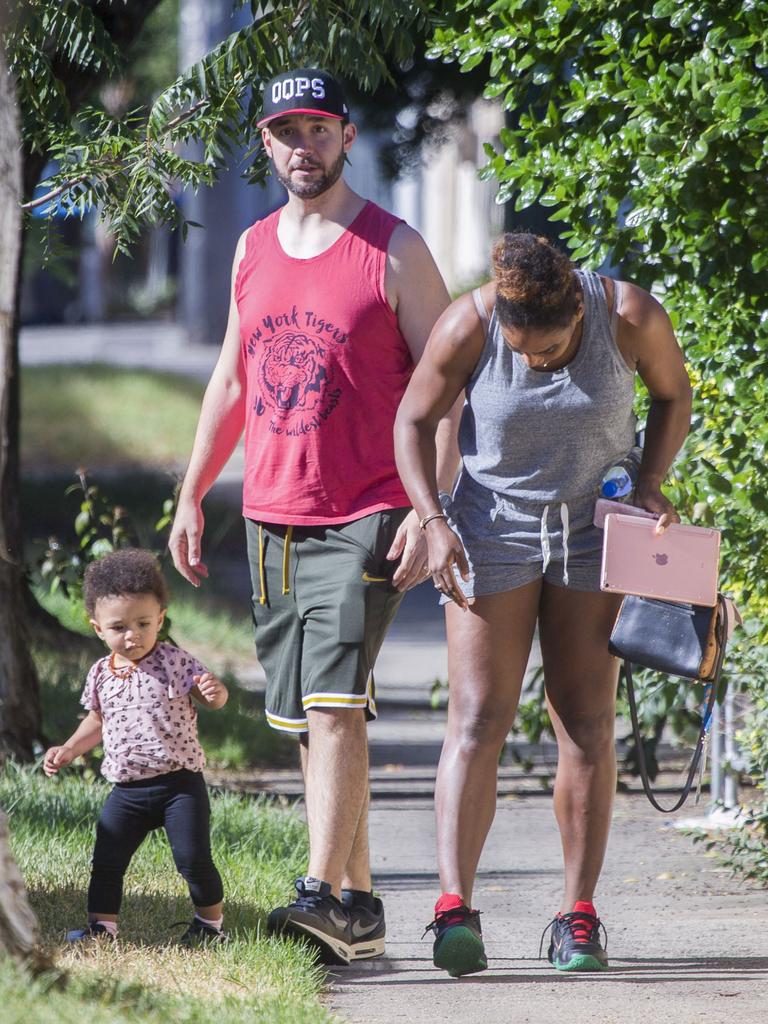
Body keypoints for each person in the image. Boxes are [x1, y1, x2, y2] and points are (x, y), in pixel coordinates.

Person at [168, 67, 453, 966]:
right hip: (270, 513)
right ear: (266, 143)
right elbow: (231, 379)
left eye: (319, 130)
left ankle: (320, 892)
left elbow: (449, 393)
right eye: (287, 132)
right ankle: (361, 909)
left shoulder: (394, 248)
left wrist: (430, 508)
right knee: (306, 720)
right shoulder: (252, 248)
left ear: (345, 137)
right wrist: (189, 492)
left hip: (365, 506)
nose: (304, 147)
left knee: (334, 708)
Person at [394, 232, 692, 976]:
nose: (536, 360)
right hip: (490, 532)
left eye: (552, 348)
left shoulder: (628, 316)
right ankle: (454, 911)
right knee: (478, 718)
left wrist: (652, 480)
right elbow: (413, 420)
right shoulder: (472, 322)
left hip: (597, 534)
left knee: (587, 721)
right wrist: (433, 520)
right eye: (522, 352)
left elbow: (672, 392)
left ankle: (578, 918)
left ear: (576, 314)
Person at [43, 548, 229, 946]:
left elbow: (209, 697)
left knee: (193, 860)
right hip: (127, 789)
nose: (134, 635)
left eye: (144, 623)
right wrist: (70, 749)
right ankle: (102, 928)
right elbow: (96, 720)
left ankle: (211, 926)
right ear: (98, 629)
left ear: (160, 618)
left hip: (180, 784)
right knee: (107, 862)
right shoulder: (100, 674)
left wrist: (216, 693)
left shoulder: (174, 662)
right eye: (120, 627)